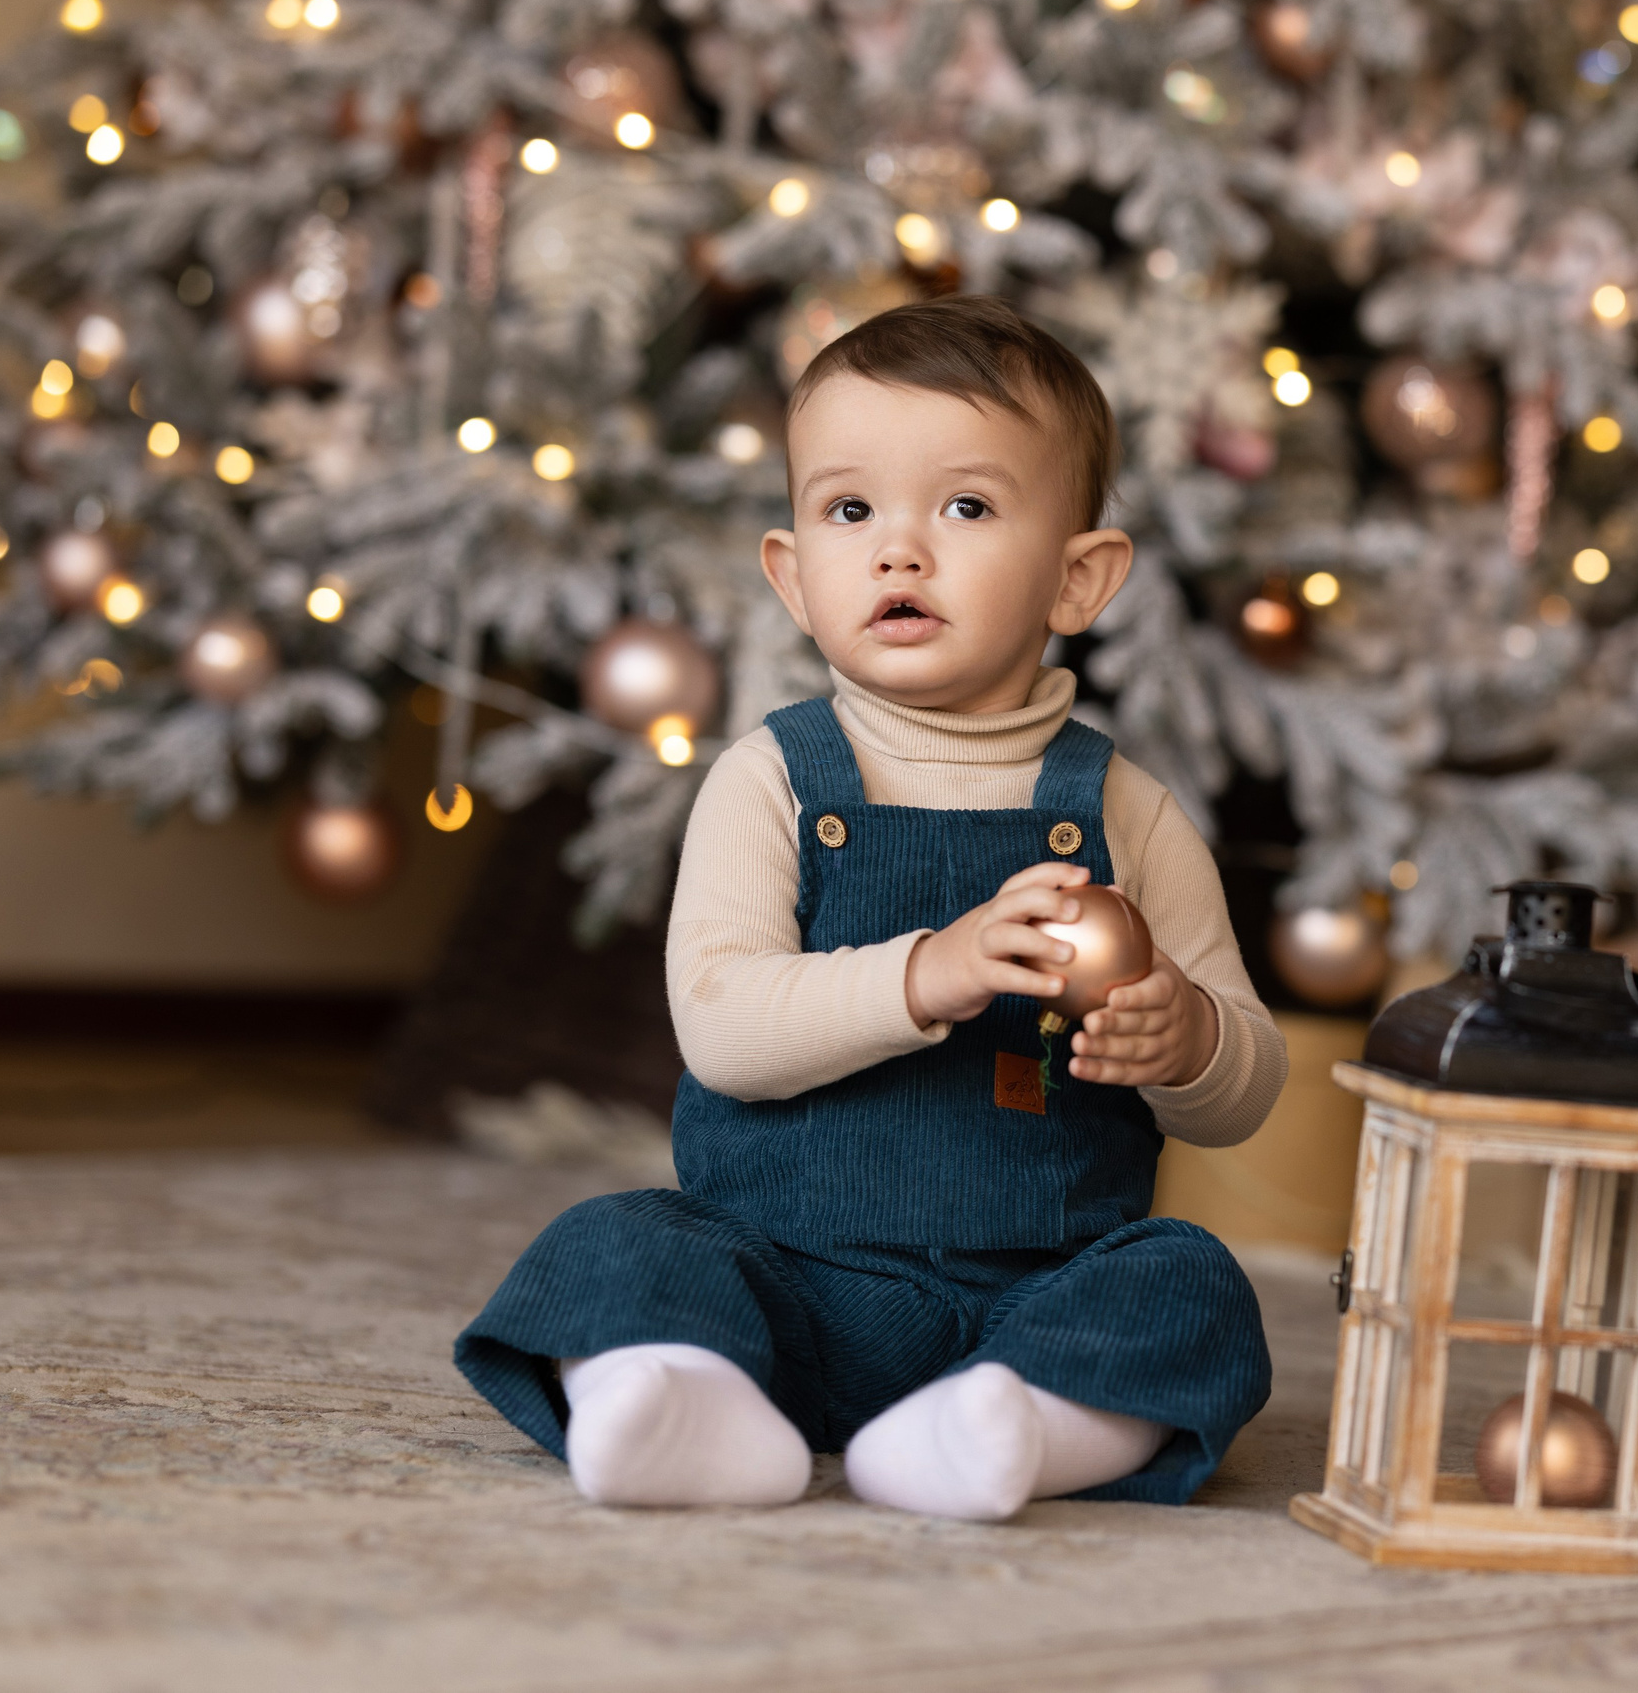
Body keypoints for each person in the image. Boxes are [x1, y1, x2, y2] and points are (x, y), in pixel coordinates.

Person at [456, 295, 1287, 1518]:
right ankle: (681, 1394)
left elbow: (1247, 1084)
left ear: (1078, 577)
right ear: (793, 577)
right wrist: (926, 973)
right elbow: (724, 1030)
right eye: (852, 510)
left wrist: (1188, 1038)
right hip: (783, 1283)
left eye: (966, 506)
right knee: (616, 1241)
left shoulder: (1128, 813)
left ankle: (1015, 1424)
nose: (901, 550)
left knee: (1188, 1286)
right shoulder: (772, 781)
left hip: (1035, 1291)